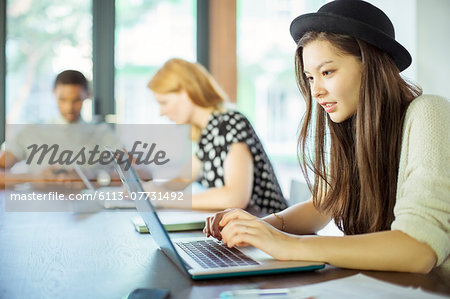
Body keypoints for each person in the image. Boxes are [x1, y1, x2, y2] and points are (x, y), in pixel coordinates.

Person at [203, 0, 449, 274]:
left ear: (371, 65)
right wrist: (260, 226)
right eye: (310, 78)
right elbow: (325, 204)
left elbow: (418, 249)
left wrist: (288, 245)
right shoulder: (354, 125)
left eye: (327, 72)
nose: (315, 90)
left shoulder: (429, 112)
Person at [146, 58, 287, 213]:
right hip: (246, 228)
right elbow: (182, 179)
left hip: (268, 227)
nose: (161, 112)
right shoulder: (208, 132)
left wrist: (166, 198)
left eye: (164, 102)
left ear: (186, 92)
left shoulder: (230, 123)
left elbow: (236, 197)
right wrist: (145, 191)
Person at [0, 70, 123, 188]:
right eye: (62, 100)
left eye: (76, 100)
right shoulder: (30, 132)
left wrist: (94, 179)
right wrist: (33, 178)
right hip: (39, 207)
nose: (69, 107)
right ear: (54, 93)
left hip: (90, 206)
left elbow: (138, 172)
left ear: (87, 95)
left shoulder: (102, 133)